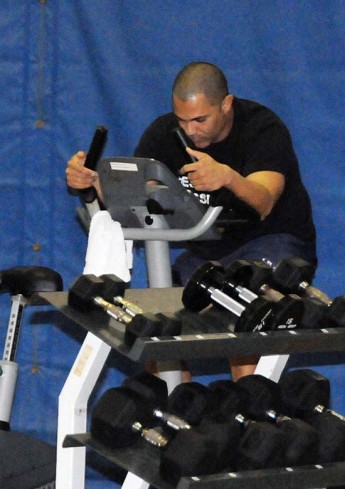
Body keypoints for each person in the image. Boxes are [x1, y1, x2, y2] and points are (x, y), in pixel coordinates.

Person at [66, 61, 317, 379]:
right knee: (157, 328)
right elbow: (135, 199)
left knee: (240, 321)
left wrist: (227, 177)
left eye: (200, 119)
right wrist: (93, 182)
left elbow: (264, 201)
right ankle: (179, 414)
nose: (190, 130)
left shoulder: (262, 128)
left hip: (271, 242)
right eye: (183, 120)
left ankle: (249, 415)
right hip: (208, 253)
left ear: (226, 105)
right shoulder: (164, 133)